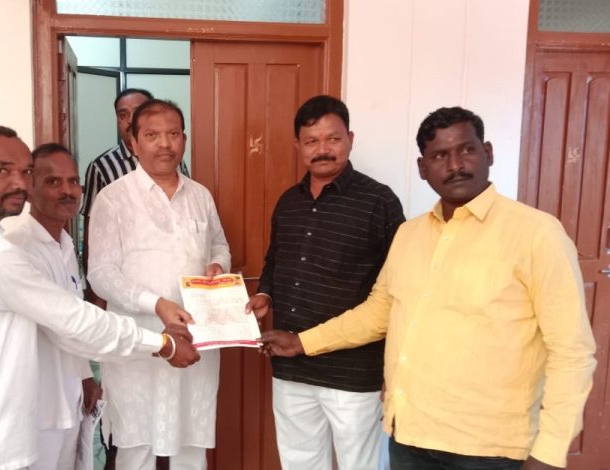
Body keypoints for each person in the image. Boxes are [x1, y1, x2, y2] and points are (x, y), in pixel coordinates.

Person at [259, 107, 596, 470]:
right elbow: (378, 312)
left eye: (466, 150)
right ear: (423, 168)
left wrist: (549, 452)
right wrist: (302, 342)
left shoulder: (537, 234)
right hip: (411, 437)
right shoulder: (411, 235)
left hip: (488, 449)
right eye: (439, 156)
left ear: (488, 153)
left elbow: (571, 351)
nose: (455, 165)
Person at [0, 123, 198, 470]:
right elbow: (73, 321)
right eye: (2, 171)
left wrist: (85, 376)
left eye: (25, 172)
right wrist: (163, 344)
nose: (19, 183)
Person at [245, 95, 404, 470]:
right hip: (290, 369)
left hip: (353, 374)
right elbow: (275, 259)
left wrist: (394, 370)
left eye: (333, 139)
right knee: (300, 462)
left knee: (360, 466)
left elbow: (399, 290)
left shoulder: (379, 202)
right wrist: (265, 293)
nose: (322, 150)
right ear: (298, 145)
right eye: (311, 141)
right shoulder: (289, 202)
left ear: (350, 139)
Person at [87, 100, 231, 470]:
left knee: (191, 446)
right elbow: (100, 273)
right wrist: (156, 303)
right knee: (136, 446)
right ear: (133, 142)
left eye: (173, 134)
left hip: (196, 338)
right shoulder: (113, 198)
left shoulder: (200, 195)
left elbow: (219, 244)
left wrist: (218, 264)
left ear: (184, 139)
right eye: (152, 135)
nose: (164, 144)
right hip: (139, 340)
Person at [4, 143, 102, 470]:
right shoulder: (17, 248)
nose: (67, 191)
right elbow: (64, 325)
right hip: (36, 407)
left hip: (69, 399)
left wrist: (86, 377)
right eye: (53, 182)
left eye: (73, 181)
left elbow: (72, 315)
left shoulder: (65, 245)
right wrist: (153, 344)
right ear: (30, 188)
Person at [80, 88, 189, 279]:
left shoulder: (175, 161)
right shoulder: (101, 166)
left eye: (137, 111)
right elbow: (92, 232)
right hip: (126, 286)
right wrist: (94, 289)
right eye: (123, 115)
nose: (130, 120)